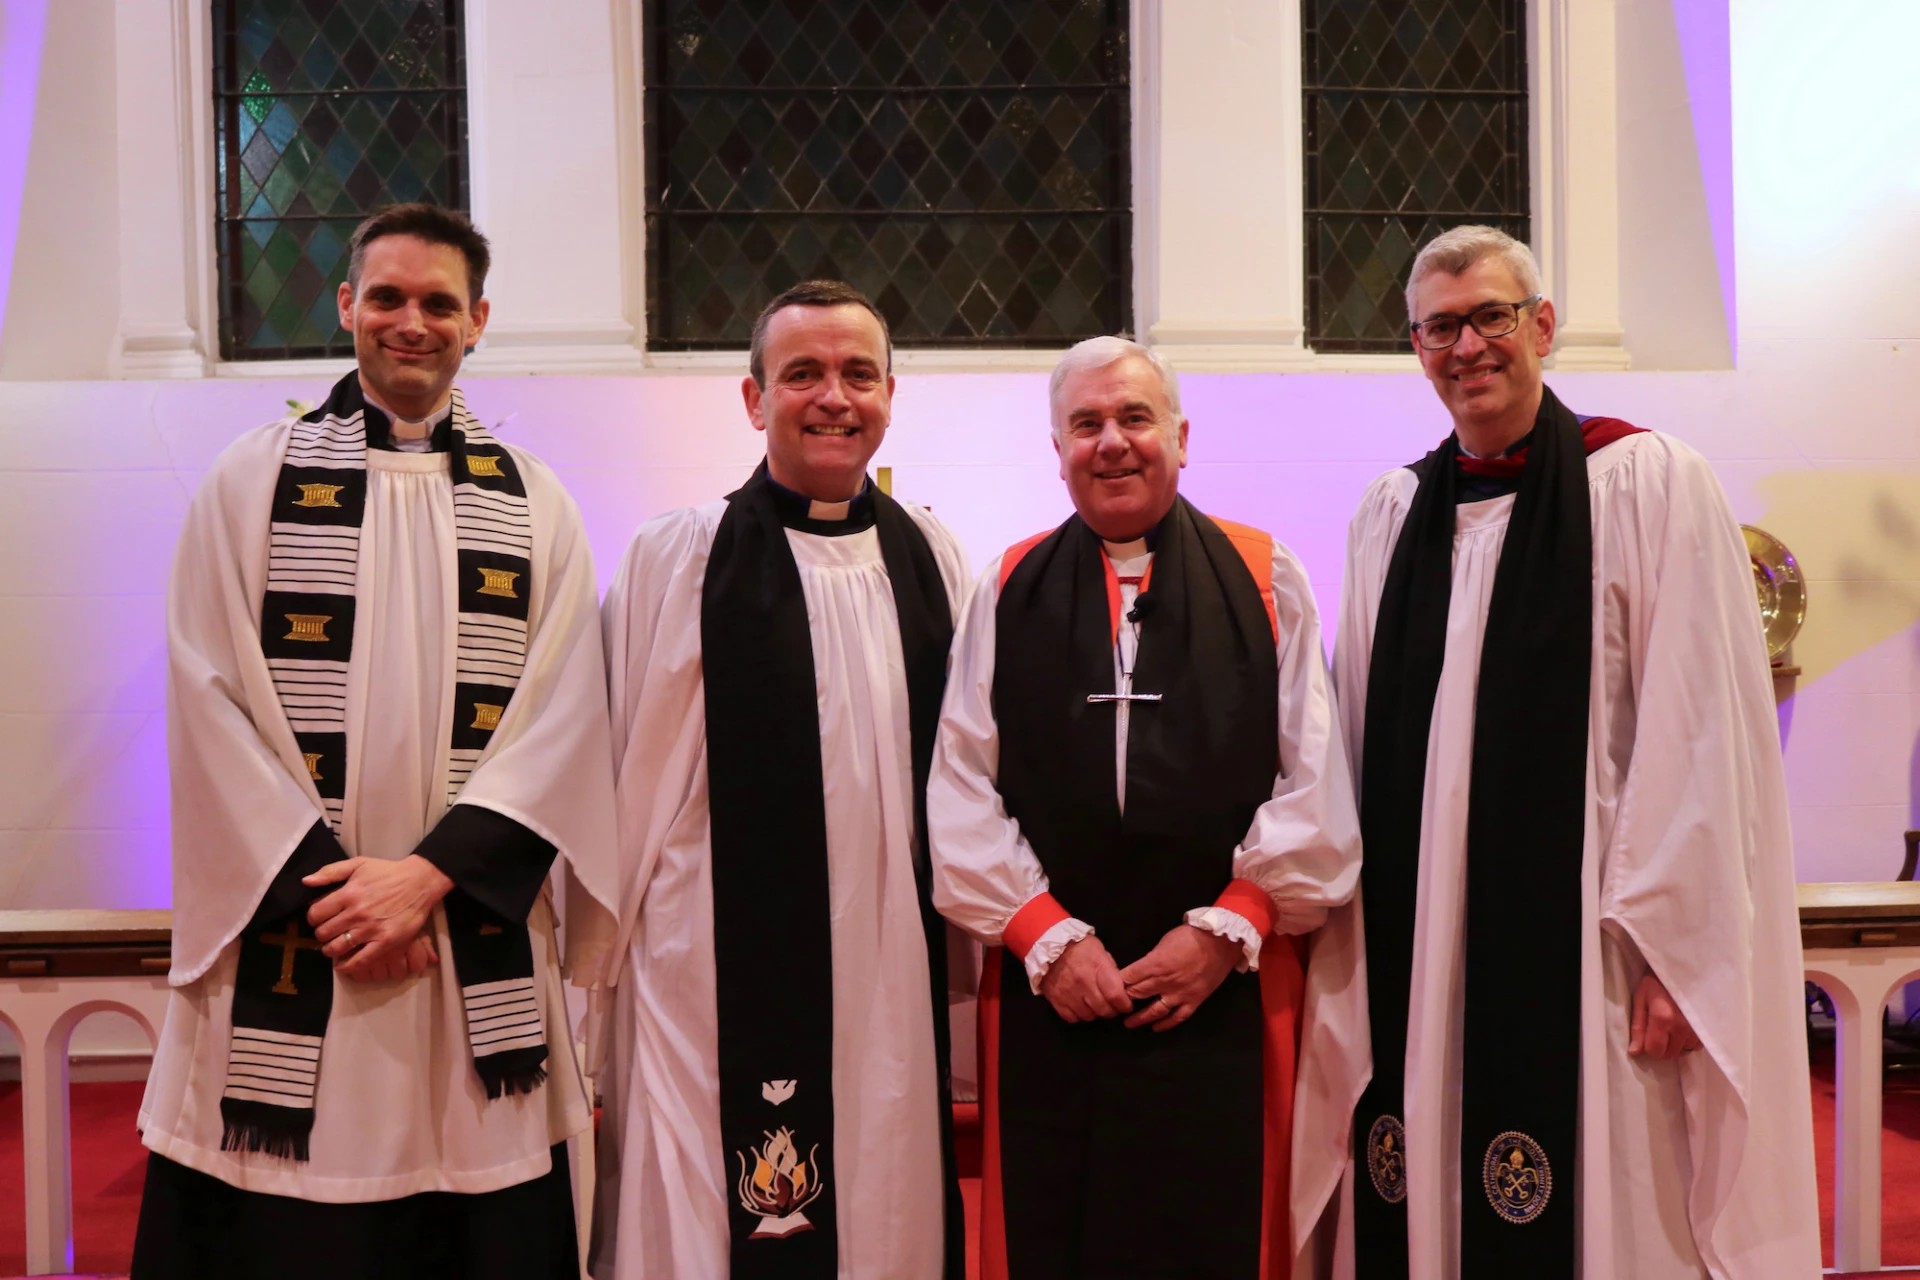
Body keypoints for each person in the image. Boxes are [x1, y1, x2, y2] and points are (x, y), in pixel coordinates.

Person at [1296, 225, 1820, 1278]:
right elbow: (1352, 736)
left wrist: (1684, 951)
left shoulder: (1647, 481)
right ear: (1416, 346)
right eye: (1440, 326)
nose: (1467, 346)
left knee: (1598, 1195)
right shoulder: (1392, 514)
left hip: (1592, 943)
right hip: (1418, 940)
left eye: (1491, 316)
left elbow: (1700, 725)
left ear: (1541, 326)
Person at [132, 203, 620, 1279]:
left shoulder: (537, 506)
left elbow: (565, 720)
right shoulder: (246, 485)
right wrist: (342, 898)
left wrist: (430, 879)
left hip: (461, 946)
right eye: (388, 296)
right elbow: (205, 703)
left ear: (478, 320)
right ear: (347, 305)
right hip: (306, 943)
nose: (413, 321)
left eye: (440, 302)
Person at [928, 336, 1362, 1279]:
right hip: (1055, 993)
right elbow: (959, 785)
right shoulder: (1007, 588)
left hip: (1221, 988)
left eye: (1134, 418)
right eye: (1087, 424)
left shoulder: (1265, 577)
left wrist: (1228, 928)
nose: (1112, 442)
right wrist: (1045, 934)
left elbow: (1317, 783)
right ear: (1057, 446)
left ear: (1181, 434)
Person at [590, 280, 970, 1279]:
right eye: (802, 373)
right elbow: (626, 776)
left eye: (857, 373)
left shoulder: (933, 555)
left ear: (891, 392)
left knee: (884, 1170)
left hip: (890, 953)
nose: (833, 396)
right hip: (711, 962)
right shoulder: (681, 555)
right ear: (756, 399)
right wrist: (604, 962)